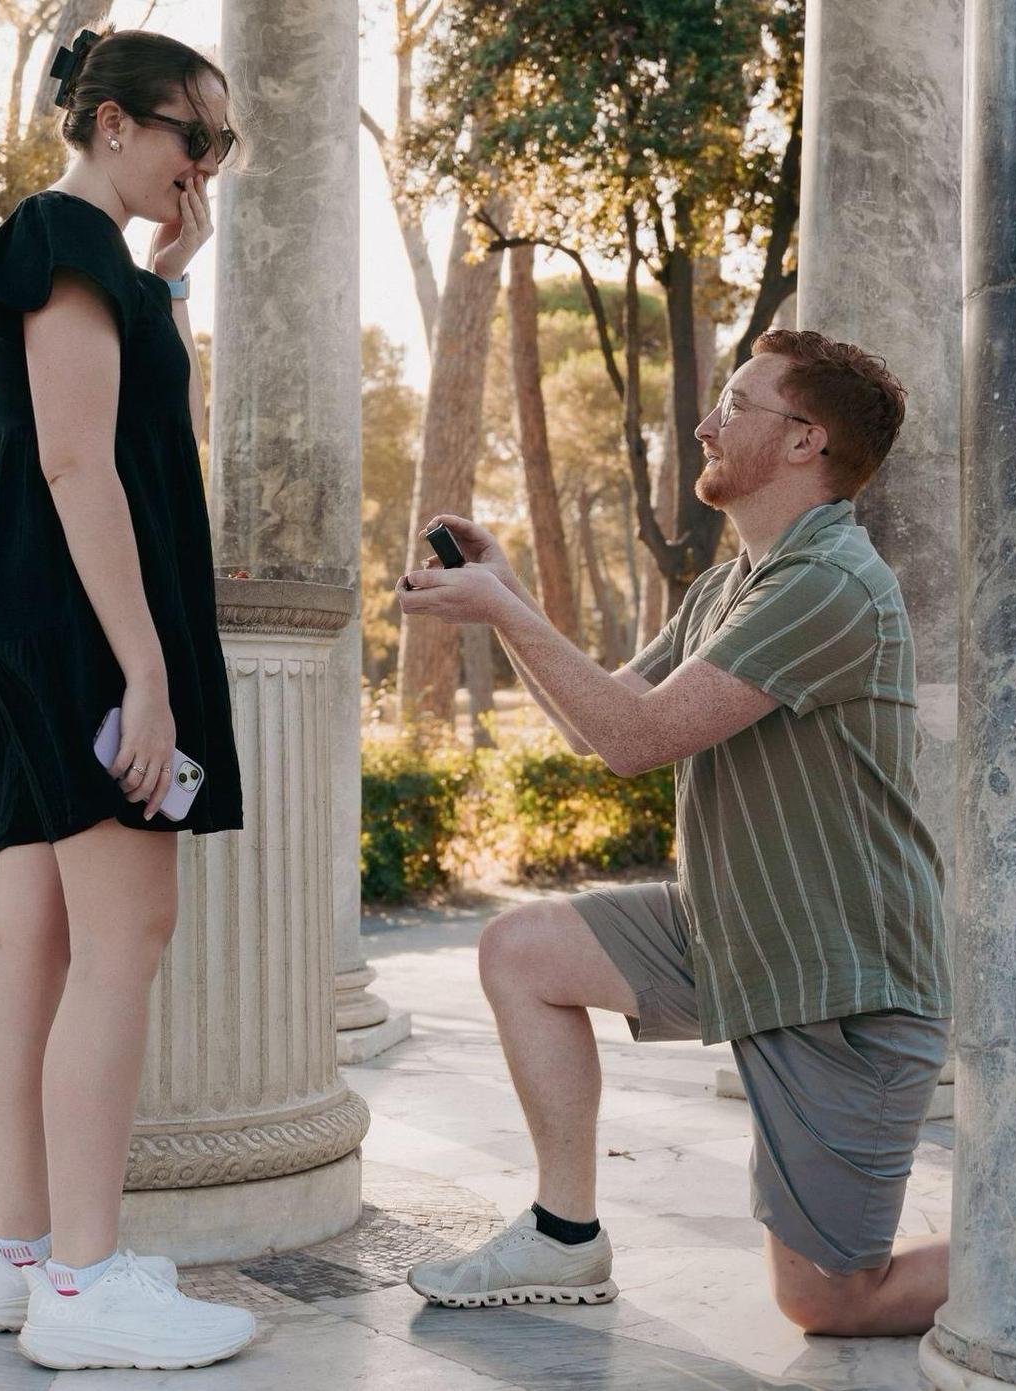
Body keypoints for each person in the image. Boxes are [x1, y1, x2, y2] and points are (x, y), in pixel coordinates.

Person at [395, 329, 952, 1337]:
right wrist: (510, 597)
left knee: (829, 1299)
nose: (705, 421)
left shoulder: (827, 584)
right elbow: (603, 719)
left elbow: (638, 737)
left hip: (844, 981)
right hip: (733, 932)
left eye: (735, 403)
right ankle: (565, 1237)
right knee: (521, 949)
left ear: (802, 442)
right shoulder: (729, 584)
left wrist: (505, 615)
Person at [0, 27, 256, 1371]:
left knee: (36, 932)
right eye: (202, 137)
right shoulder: (56, 238)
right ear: (118, 123)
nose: (210, 167)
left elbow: (132, 441)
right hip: (89, 624)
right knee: (125, 931)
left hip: (51, 614)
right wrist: (144, 670)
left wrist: (169, 285)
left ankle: (21, 1256)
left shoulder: (101, 264)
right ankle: (84, 1282)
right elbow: (83, 468)